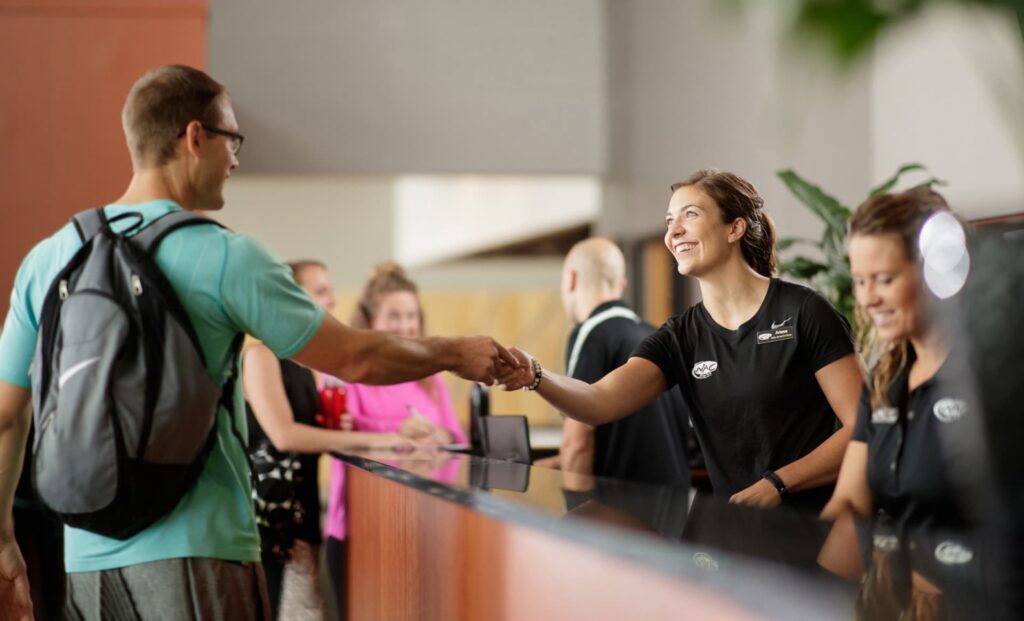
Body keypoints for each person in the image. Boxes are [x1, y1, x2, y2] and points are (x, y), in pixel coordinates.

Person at [0, 64, 516, 619]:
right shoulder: (227, 256)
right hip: (201, 555)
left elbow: (8, 416)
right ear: (194, 137)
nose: (237, 159)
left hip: (84, 558)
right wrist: (456, 353)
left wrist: (4, 537)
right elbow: (356, 358)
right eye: (232, 139)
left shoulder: (49, 259)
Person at [499, 169, 863, 512]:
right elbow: (598, 401)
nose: (674, 233)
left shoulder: (804, 312)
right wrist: (534, 375)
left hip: (814, 532)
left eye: (690, 215)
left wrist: (778, 484)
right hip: (735, 536)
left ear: (734, 228)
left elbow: (863, 426)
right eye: (670, 222)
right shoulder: (681, 337)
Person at [243, 259, 424, 620]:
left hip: (304, 517)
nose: (333, 301)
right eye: (322, 291)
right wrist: (371, 441)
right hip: (268, 522)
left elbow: (318, 436)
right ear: (291, 297)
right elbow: (283, 435)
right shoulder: (260, 356)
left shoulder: (310, 364)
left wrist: (342, 429)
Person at [821, 188, 977, 532]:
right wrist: (809, 576)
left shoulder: (988, 374)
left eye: (885, 279)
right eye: (860, 281)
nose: (867, 298)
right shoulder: (884, 380)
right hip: (896, 582)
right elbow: (850, 501)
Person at [323, 262, 467, 619]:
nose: (405, 325)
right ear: (371, 321)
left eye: (411, 316)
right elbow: (339, 438)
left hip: (422, 528)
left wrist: (438, 434)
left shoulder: (431, 378)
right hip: (357, 531)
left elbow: (458, 438)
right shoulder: (349, 375)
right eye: (394, 316)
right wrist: (396, 436)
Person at [533, 238, 689, 486]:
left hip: (621, 513)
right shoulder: (657, 335)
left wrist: (575, 514)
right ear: (622, 284)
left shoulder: (590, 333)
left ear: (571, 278)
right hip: (676, 507)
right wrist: (555, 463)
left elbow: (578, 442)